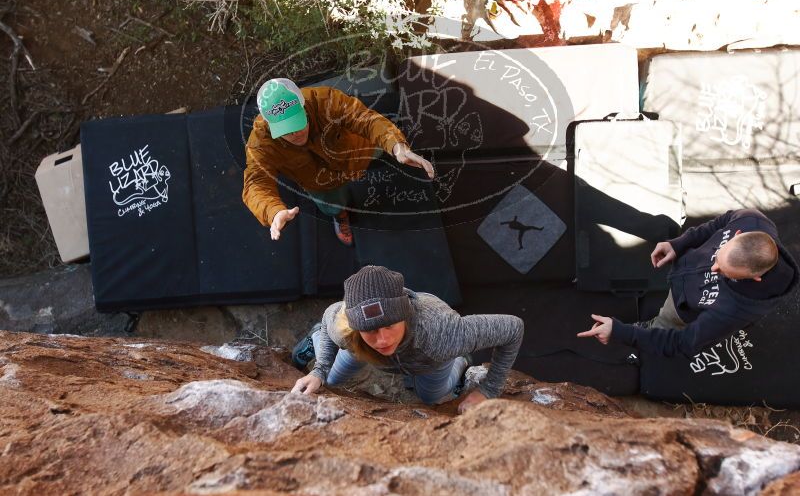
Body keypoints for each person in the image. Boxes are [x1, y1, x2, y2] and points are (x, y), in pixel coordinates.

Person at [290, 265, 524, 413]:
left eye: (389, 326)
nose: (382, 340)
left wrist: (489, 390)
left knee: (430, 397)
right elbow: (331, 312)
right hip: (360, 349)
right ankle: (318, 336)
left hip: (428, 356)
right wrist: (319, 371)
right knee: (329, 379)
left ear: (403, 316)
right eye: (370, 330)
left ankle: (460, 360)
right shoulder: (345, 328)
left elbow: (513, 328)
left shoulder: (443, 333)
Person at [578, 209, 799, 357]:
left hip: (681, 309)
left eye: (724, 272)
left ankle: (650, 327)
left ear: (755, 277)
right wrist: (679, 244)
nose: (713, 268)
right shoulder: (751, 219)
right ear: (737, 234)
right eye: (718, 257)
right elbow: (720, 222)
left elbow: (683, 343)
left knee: (664, 324)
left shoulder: (734, 310)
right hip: (681, 275)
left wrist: (621, 333)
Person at [242, 78, 434, 246]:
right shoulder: (260, 142)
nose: (295, 133)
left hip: (357, 152)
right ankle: (341, 216)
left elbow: (364, 119)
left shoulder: (324, 100)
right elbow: (256, 183)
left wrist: (395, 145)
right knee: (332, 206)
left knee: (383, 147)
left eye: (298, 122)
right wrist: (273, 212)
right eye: (286, 129)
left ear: (304, 106)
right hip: (320, 182)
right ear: (270, 125)